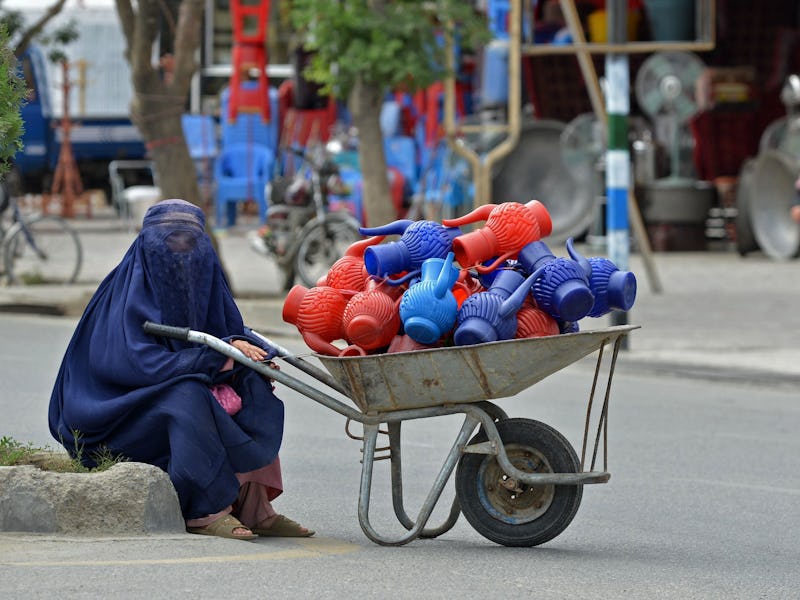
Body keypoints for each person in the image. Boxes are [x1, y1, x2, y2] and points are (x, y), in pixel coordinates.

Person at [49, 199, 313, 541]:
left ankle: (255, 508)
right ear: (147, 244)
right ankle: (205, 510)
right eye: (170, 243)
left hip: (167, 389)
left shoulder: (205, 280)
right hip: (113, 414)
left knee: (252, 381)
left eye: (191, 243)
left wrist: (247, 351)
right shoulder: (123, 295)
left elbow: (225, 329)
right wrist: (218, 357)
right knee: (185, 395)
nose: (182, 253)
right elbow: (135, 364)